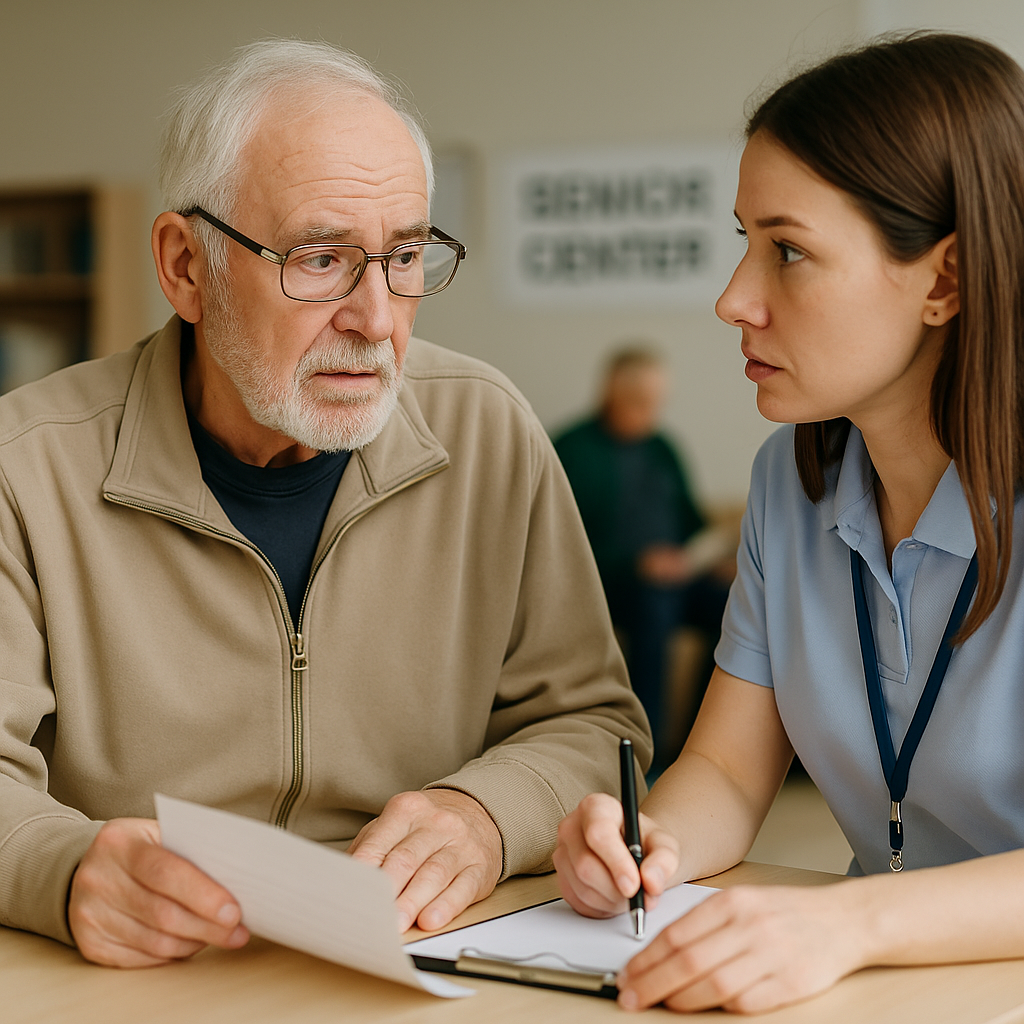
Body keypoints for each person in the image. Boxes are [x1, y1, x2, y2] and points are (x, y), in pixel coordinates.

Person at [0, 40, 651, 967]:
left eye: (405, 256)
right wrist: (61, 869)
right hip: (142, 976)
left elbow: (595, 725)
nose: (377, 319)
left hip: (418, 957)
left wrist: (485, 815)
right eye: (318, 259)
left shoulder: (489, 431)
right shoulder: (23, 466)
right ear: (186, 267)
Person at [554, 32, 1024, 1014]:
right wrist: (647, 849)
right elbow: (726, 770)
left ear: (945, 281)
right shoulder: (788, 483)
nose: (733, 300)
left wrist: (850, 922)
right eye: (744, 242)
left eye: (789, 251)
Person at [553, 347, 732, 758]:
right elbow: (561, 540)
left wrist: (711, 558)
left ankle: (700, 743)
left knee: (735, 607)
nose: (649, 413)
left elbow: (692, 521)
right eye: (639, 401)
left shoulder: (663, 447)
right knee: (655, 603)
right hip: (613, 584)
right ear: (610, 394)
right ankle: (646, 750)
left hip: (676, 577)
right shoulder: (572, 449)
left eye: (655, 403)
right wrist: (638, 564)